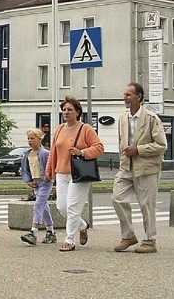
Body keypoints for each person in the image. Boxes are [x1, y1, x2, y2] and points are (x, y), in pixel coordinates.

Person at [112, 82, 168, 253]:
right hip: (127, 166)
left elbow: (161, 145)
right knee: (117, 198)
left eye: (128, 95)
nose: (125, 98)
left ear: (139, 96)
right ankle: (128, 236)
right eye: (124, 94)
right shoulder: (122, 118)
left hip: (147, 168)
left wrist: (139, 149)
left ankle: (150, 241)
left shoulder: (151, 118)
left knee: (147, 205)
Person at [45, 96, 104, 252]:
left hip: (79, 174)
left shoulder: (86, 129)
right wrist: (49, 170)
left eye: (70, 109)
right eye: (64, 109)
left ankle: (69, 240)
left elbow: (99, 147)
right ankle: (83, 226)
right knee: (61, 207)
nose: (66, 112)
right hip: (61, 173)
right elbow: (53, 151)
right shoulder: (59, 129)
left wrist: (82, 152)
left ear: (78, 112)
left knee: (72, 207)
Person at [20, 128, 56, 245]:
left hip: (45, 182)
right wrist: (28, 181)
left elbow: (50, 166)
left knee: (38, 205)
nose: (30, 141)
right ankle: (50, 231)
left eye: (32, 138)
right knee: (44, 208)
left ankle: (33, 231)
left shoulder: (45, 153)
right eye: (28, 139)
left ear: (39, 139)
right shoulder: (27, 154)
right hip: (36, 183)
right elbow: (25, 170)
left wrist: (49, 175)